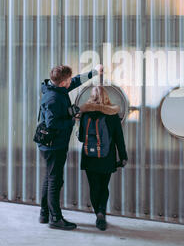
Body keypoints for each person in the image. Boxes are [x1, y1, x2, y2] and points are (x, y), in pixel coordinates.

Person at [38, 63, 103, 230]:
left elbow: (74, 81)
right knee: (55, 181)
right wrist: (72, 118)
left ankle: (44, 213)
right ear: (62, 83)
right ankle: (55, 218)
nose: (70, 82)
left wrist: (94, 72)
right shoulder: (53, 98)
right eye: (67, 80)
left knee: (49, 177)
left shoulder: (56, 89)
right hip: (54, 145)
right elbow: (53, 124)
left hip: (50, 145)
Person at [78, 86, 128, 231]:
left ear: (91, 97)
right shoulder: (112, 114)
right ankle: (101, 212)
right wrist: (123, 156)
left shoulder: (85, 114)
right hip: (106, 156)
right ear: (106, 97)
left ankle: (98, 215)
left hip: (89, 156)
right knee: (103, 186)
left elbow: (82, 138)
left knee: (94, 186)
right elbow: (119, 138)